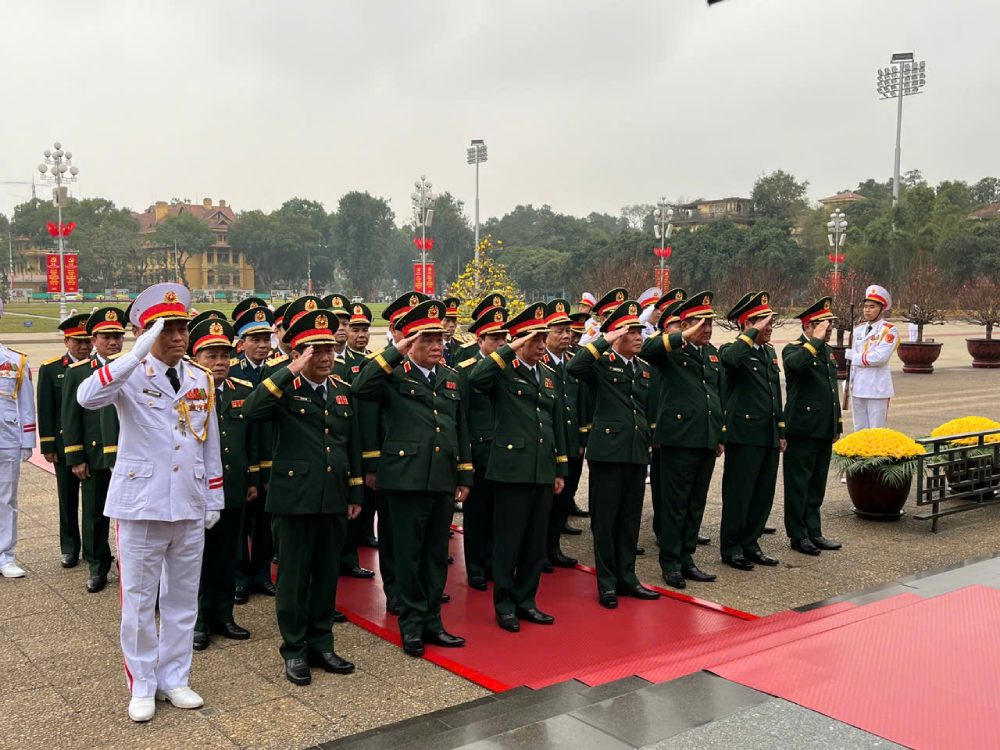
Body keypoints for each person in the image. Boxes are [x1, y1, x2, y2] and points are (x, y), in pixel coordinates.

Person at [76, 283, 223, 722]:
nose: (179, 337)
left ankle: (174, 677)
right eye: (168, 329)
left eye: (182, 328)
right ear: (147, 332)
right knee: (139, 601)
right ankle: (141, 682)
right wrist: (133, 354)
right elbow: (87, 397)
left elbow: (208, 441)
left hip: (189, 502)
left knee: (182, 599)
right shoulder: (130, 372)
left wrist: (214, 494)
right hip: (140, 504)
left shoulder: (200, 377)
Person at [244, 308, 362, 686]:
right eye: (315, 350)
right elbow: (252, 410)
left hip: (332, 498)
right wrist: (291, 369)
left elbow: (352, 446)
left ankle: (322, 643)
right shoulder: (282, 388)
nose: (326, 357)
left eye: (328, 349)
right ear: (299, 352)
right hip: (294, 498)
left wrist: (355, 491)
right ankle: (294, 650)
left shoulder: (342, 390)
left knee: (326, 577)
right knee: (294, 580)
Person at [352, 299, 471, 656]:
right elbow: (360, 387)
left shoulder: (451, 378)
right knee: (407, 555)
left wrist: (464, 474)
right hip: (404, 481)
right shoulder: (392, 376)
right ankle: (412, 626)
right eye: (426, 340)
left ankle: (434, 622)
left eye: (439, 339)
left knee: (435, 556)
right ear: (410, 342)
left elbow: (459, 428)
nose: (437, 346)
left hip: (440, 480)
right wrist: (395, 352)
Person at [469, 303, 568, 632]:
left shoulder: (550, 376)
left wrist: (559, 469)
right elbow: (474, 379)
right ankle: (505, 604)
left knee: (535, 542)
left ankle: (527, 600)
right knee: (508, 541)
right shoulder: (502, 371)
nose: (541, 345)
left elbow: (556, 426)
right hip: (511, 469)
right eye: (535, 339)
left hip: (541, 468)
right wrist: (509, 346)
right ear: (521, 340)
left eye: (543, 339)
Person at [568, 300, 661, 608]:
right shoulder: (602, 363)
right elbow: (575, 365)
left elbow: (649, 410)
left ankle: (628, 577)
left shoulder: (645, 369)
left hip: (635, 451)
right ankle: (606, 582)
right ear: (618, 334)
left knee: (630, 519)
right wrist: (605, 337)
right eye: (632, 331)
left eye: (640, 331)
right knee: (605, 520)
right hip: (607, 452)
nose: (639, 336)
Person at [640, 292, 722, 589]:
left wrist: (719, 434)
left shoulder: (711, 353)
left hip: (705, 438)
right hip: (679, 438)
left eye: (710, 324)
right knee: (675, 504)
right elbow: (647, 350)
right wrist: (683, 335)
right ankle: (671, 562)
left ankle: (687, 558)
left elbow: (716, 395)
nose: (708, 330)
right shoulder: (671, 350)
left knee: (695, 503)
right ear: (686, 325)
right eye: (702, 324)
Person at [187, 316, 256, 651]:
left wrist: (253, 477)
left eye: (224, 356)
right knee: (198, 558)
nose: (219, 363)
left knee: (228, 555)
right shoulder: (187, 394)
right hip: (197, 490)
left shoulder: (241, 391)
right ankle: (199, 621)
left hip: (233, 487)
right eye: (210, 356)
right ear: (194, 358)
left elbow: (252, 441)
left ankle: (224, 615)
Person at [718, 292, 784, 572]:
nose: (770, 328)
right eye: (764, 323)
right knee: (739, 494)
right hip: (744, 434)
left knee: (762, 493)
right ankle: (732, 547)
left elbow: (774, 394)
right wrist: (750, 333)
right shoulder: (733, 350)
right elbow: (730, 360)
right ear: (748, 324)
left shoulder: (768, 352)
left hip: (768, 434)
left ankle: (751, 542)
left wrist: (781, 430)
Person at [62, 307, 126, 593]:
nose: (113, 342)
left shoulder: (130, 367)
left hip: (127, 456)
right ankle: (97, 565)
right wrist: (76, 457)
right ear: (94, 338)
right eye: (107, 336)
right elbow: (71, 417)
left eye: (118, 336)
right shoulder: (78, 373)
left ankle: (128, 565)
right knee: (95, 514)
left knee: (129, 516)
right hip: (95, 455)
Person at [782, 297, 843, 556]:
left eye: (830, 324)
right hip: (802, 428)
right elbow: (795, 366)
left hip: (823, 428)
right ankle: (798, 534)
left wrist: (837, 423)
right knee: (799, 484)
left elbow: (832, 391)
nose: (829, 328)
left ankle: (814, 531)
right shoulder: (794, 349)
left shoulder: (826, 351)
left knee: (816, 484)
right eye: (823, 324)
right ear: (809, 326)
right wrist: (815, 341)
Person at [456, 306, 509, 590]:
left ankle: (493, 564)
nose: (501, 343)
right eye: (494, 338)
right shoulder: (465, 372)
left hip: (505, 454)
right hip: (479, 455)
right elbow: (461, 418)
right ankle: (476, 566)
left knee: (501, 515)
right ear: (480, 340)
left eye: (504, 337)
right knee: (477, 515)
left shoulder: (510, 369)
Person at [37, 312, 92, 568]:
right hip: (63, 446)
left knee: (93, 502)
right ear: (66, 342)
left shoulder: (99, 367)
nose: (83, 347)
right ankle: (69, 547)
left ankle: (93, 549)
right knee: (67, 498)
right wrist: (48, 445)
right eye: (77, 341)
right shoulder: (51, 369)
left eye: (88, 341)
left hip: (93, 445)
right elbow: (46, 410)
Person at [541, 299, 582, 569]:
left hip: (571, 442)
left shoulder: (574, 362)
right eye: (560, 331)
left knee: (565, 498)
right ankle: (539, 550)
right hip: (549, 444)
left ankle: (554, 545)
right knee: (545, 503)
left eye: (568, 331)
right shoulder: (540, 362)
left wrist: (582, 438)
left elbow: (583, 402)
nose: (567, 336)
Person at [0, 296, 36, 579]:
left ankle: (5, 555)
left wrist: (27, 440)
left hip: (7, 438)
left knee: (6, 499)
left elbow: (26, 403)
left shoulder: (14, 361)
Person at [847, 284, 898, 430]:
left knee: (876, 430)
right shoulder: (858, 330)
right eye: (865, 306)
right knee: (859, 428)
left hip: (877, 387)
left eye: (872, 307)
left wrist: (854, 357)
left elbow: (879, 358)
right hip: (858, 386)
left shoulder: (888, 330)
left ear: (881, 309)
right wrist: (849, 383)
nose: (867, 310)